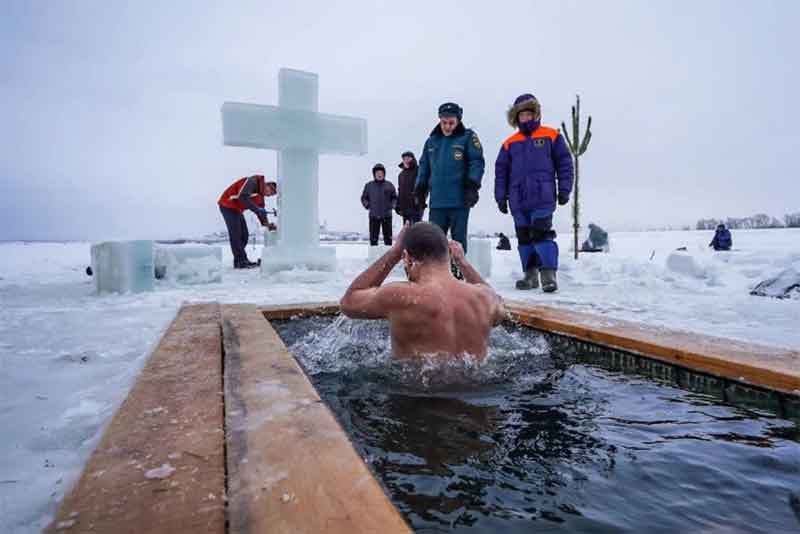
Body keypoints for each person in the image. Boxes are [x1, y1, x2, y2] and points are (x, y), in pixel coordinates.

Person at [340, 222, 506, 359]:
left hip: (414, 396)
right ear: (450, 253)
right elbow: (499, 311)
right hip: (475, 395)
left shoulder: (401, 296)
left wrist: (393, 253)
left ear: (407, 258)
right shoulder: (484, 297)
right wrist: (463, 262)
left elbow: (349, 302)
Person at [495, 94, 573, 292]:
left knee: (541, 234)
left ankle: (548, 275)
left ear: (536, 114)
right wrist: (500, 197)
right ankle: (530, 276)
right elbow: (501, 172)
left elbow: (564, 164)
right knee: (523, 238)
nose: (526, 118)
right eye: (522, 115)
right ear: (516, 118)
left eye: (530, 114)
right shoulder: (509, 144)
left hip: (543, 197)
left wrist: (564, 189)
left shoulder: (551, 136)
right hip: (518, 199)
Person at [414, 102, 485, 254]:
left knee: (457, 243)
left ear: (458, 120)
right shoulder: (431, 141)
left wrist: (472, 186)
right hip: (437, 202)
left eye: (451, 123)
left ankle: (457, 273)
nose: (447, 126)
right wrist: (420, 190)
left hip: (459, 201)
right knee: (434, 243)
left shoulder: (468, 138)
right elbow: (424, 166)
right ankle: (437, 275)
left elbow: (476, 162)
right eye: (444, 122)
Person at [218, 174, 277, 268]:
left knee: (244, 236)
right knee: (236, 235)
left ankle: (240, 260)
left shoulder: (260, 197)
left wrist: (267, 224)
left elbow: (261, 212)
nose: (269, 194)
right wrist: (257, 209)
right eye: (271, 190)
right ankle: (241, 262)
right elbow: (243, 197)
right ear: (267, 184)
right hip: (227, 205)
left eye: (272, 194)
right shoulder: (253, 181)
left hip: (237, 210)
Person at [361, 163, 397, 246]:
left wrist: (392, 205)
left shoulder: (389, 185)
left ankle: (388, 257)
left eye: (381, 173)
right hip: (374, 216)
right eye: (377, 173)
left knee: (388, 239)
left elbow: (394, 197)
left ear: (384, 174)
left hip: (387, 216)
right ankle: (373, 257)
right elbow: (363, 198)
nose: (379, 175)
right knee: (373, 239)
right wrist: (368, 205)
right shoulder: (369, 186)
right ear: (374, 174)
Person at [396, 151, 423, 225]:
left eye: (408, 158)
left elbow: (424, 187)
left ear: (413, 159)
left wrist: (420, 200)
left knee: (416, 229)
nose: (406, 160)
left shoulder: (419, 171)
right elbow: (400, 190)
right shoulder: (401, 175)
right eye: (404, 159)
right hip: (405, 207)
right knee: (407, 230)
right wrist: (398, 205)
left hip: (416, 207)